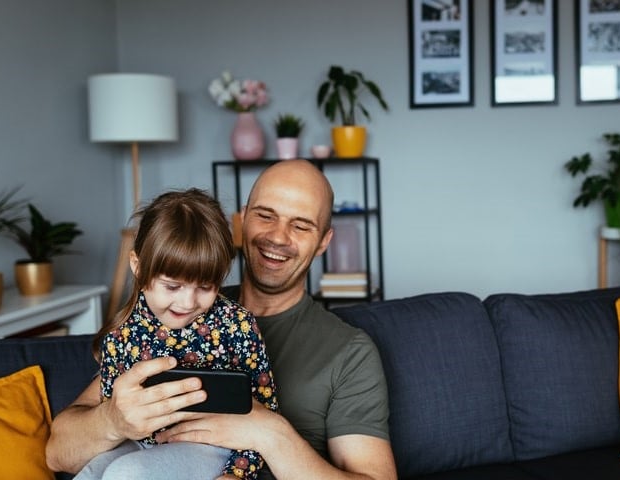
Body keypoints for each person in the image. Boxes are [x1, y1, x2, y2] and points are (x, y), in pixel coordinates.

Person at [47, 159, 397, 480]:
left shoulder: (349, 351)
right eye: (265, 215)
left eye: (301, 225)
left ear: (323, 241)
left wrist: (271, 435)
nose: (278, 236)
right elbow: (58, 454)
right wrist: (113, 420)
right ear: (241, 222)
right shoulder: (172, 312)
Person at [72, 189, 279, 480]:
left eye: (205, 287)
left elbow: (265, 410)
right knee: (90, 473)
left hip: (212, 446)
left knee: (127, 473)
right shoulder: (121, 334)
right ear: (138, 268)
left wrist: (238, 472)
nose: (187, 303)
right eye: (172, 286)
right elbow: (115, 410)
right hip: (141, 443)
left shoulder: (237, 325)